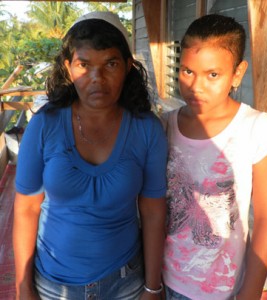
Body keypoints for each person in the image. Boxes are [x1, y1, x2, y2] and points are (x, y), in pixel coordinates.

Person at [13, 11, 167, 300]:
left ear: (128, 66)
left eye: (110, 63)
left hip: (125, 282)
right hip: (53, 284)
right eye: (84, 65)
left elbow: (153, 210)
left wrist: (152, 286)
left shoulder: (146, 129)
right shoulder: (45, 125)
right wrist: (23, 286)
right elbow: (26, 208)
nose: (97, 78)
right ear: (68, 67)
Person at [161, 14, 267, 300]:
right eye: (187, 71)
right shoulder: (164, 125)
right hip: (166, 281)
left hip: (225, 289)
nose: (196, 86)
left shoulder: (258, 128)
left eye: (213, 75)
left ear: (238, 73)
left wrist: (251, 292)